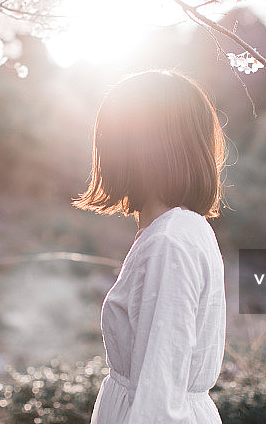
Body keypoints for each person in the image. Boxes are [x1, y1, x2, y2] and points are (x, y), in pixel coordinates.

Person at [73, 69, 227, 424]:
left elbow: (160, 397)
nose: (102, 153)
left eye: (110, 138)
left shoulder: (169, 243)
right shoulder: (182, 229)